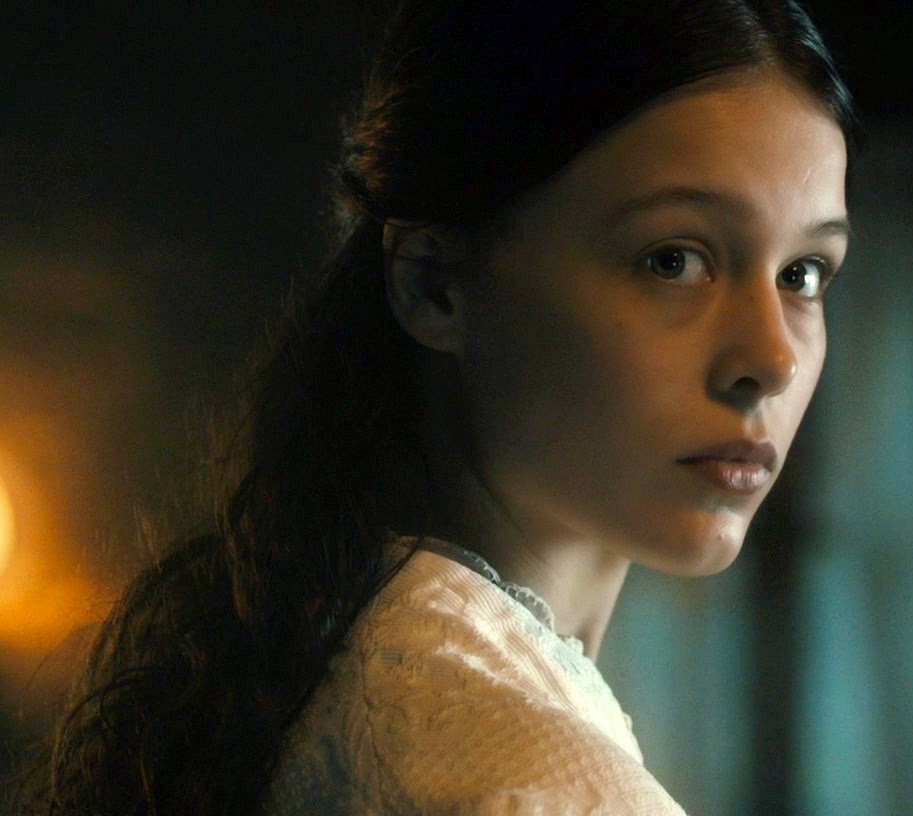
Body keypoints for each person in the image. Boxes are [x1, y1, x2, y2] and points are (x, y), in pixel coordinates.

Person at [15, 1, 856, 814]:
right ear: (434, 286)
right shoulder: (534, 790)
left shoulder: (321, 674)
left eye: (802, 274)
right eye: (673, 260)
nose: (772, 359)